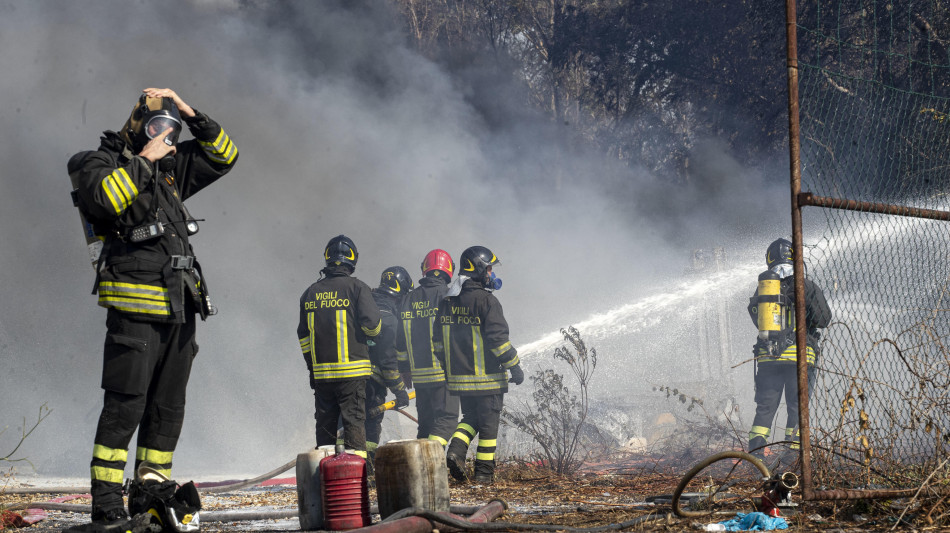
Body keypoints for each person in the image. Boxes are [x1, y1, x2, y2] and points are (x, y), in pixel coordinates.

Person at [68, 88, 238, 531]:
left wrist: (187, 110)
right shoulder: (99, 163)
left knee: (167, 409)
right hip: (135, 310)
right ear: (138, 126)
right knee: (126, 406)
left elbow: (224, 155)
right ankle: (107, 505)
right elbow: (104, 200)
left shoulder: (169, 172)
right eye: (158, 126)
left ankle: (150, 492)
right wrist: (145, 159)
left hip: (180, 307)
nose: (166, 136)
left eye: (172, 130)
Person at [435, 246, 524, 484]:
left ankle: (455, 452)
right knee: (488, 429)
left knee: (471, 417)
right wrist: (514, 366)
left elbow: (438, 343)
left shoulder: (448, 301)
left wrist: (449, 368)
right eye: (489, 269)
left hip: (460, 380)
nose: (491, 274)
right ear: (478, 269)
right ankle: (484, 475)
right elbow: (498, 341)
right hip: (487, 379)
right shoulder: (487, 301)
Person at [747, 238, 832, 462]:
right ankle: (792, 460)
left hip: (769, 358)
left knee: (765, 408)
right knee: (797, 407)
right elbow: (824, 319)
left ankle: (756, 457)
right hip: (799, 358)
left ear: (769, 259)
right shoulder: (805, 285)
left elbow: (757, 318)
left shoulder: (764, 287)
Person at [298, 235, 381, 461]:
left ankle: (323, 476)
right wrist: (369, 337)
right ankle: (357, 474)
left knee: (325, 429)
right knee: (354, 425)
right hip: (352, 375)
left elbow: (304, 337)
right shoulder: (358, 288)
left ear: (327, 258)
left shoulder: (310, 293)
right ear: (352, 259)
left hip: (322, 376)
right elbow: (373, 327)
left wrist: (312, 369)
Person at [395, 249, 460, 446]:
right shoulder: (450, 295)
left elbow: (400, 339)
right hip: (444, 373)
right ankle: (431, 456)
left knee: (426, 425)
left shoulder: (407, 299)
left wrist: (404, 369)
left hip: (419, 376)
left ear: (425, 269)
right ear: (448, 269)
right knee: (447, 421)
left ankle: (420, 463)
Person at [365, 266, 413, 464]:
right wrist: (400, 392)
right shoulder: (389, 319)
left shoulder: (366, 307)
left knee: (349, 425)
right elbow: (388, 363)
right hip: (371, 385)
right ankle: (366, 467)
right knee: (370, 427)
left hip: (348, 381)